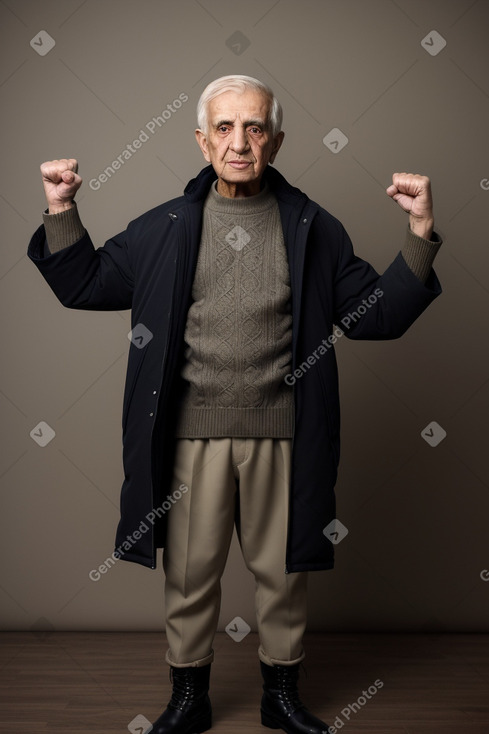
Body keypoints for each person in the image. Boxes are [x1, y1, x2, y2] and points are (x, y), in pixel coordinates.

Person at [28, 74, 442, 734]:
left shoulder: (312, 227)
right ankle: (188, 700)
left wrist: (419, 229)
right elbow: (86, 283)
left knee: (282, 578)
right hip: (190, 438)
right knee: (190, 580)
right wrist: (60, 208)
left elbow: (374, 315)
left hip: (285, 434)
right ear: (201, 140)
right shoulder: (165, 226)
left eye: (254, 128)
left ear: (275, 142)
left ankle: (281, 698)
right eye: (223, 127)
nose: (239, 141)